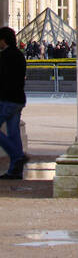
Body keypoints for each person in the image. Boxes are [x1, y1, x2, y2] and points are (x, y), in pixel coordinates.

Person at [0, 26, 27, 179]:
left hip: (7, 99)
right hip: (18, 98)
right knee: (14, 133)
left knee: (12, 133)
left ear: (3, 40)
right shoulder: (19, 55)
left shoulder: (4, 56)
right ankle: (15, 170)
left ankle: (18, 156)